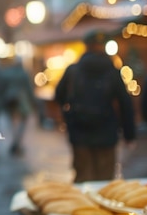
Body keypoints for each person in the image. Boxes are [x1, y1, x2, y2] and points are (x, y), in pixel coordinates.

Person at [54, 30, 136, 183]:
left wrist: (69, 117)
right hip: (107, 132)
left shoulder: (73, 70)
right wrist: (129, 134)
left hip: (79, 132)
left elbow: (58, 96)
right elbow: (125, 103)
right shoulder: (113, 71)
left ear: (86, 46)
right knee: (104, 182)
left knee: (83, 178)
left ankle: (82, 206)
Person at [0, 57, 35, 156]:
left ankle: (15, 141)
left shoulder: (8, 73)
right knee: (23, 121)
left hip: (9, 99)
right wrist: (32, 100)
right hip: (21, 100)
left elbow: (1, 86)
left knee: (12, 122)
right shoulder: (23, 74)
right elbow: (29, 88)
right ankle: (17, 142)